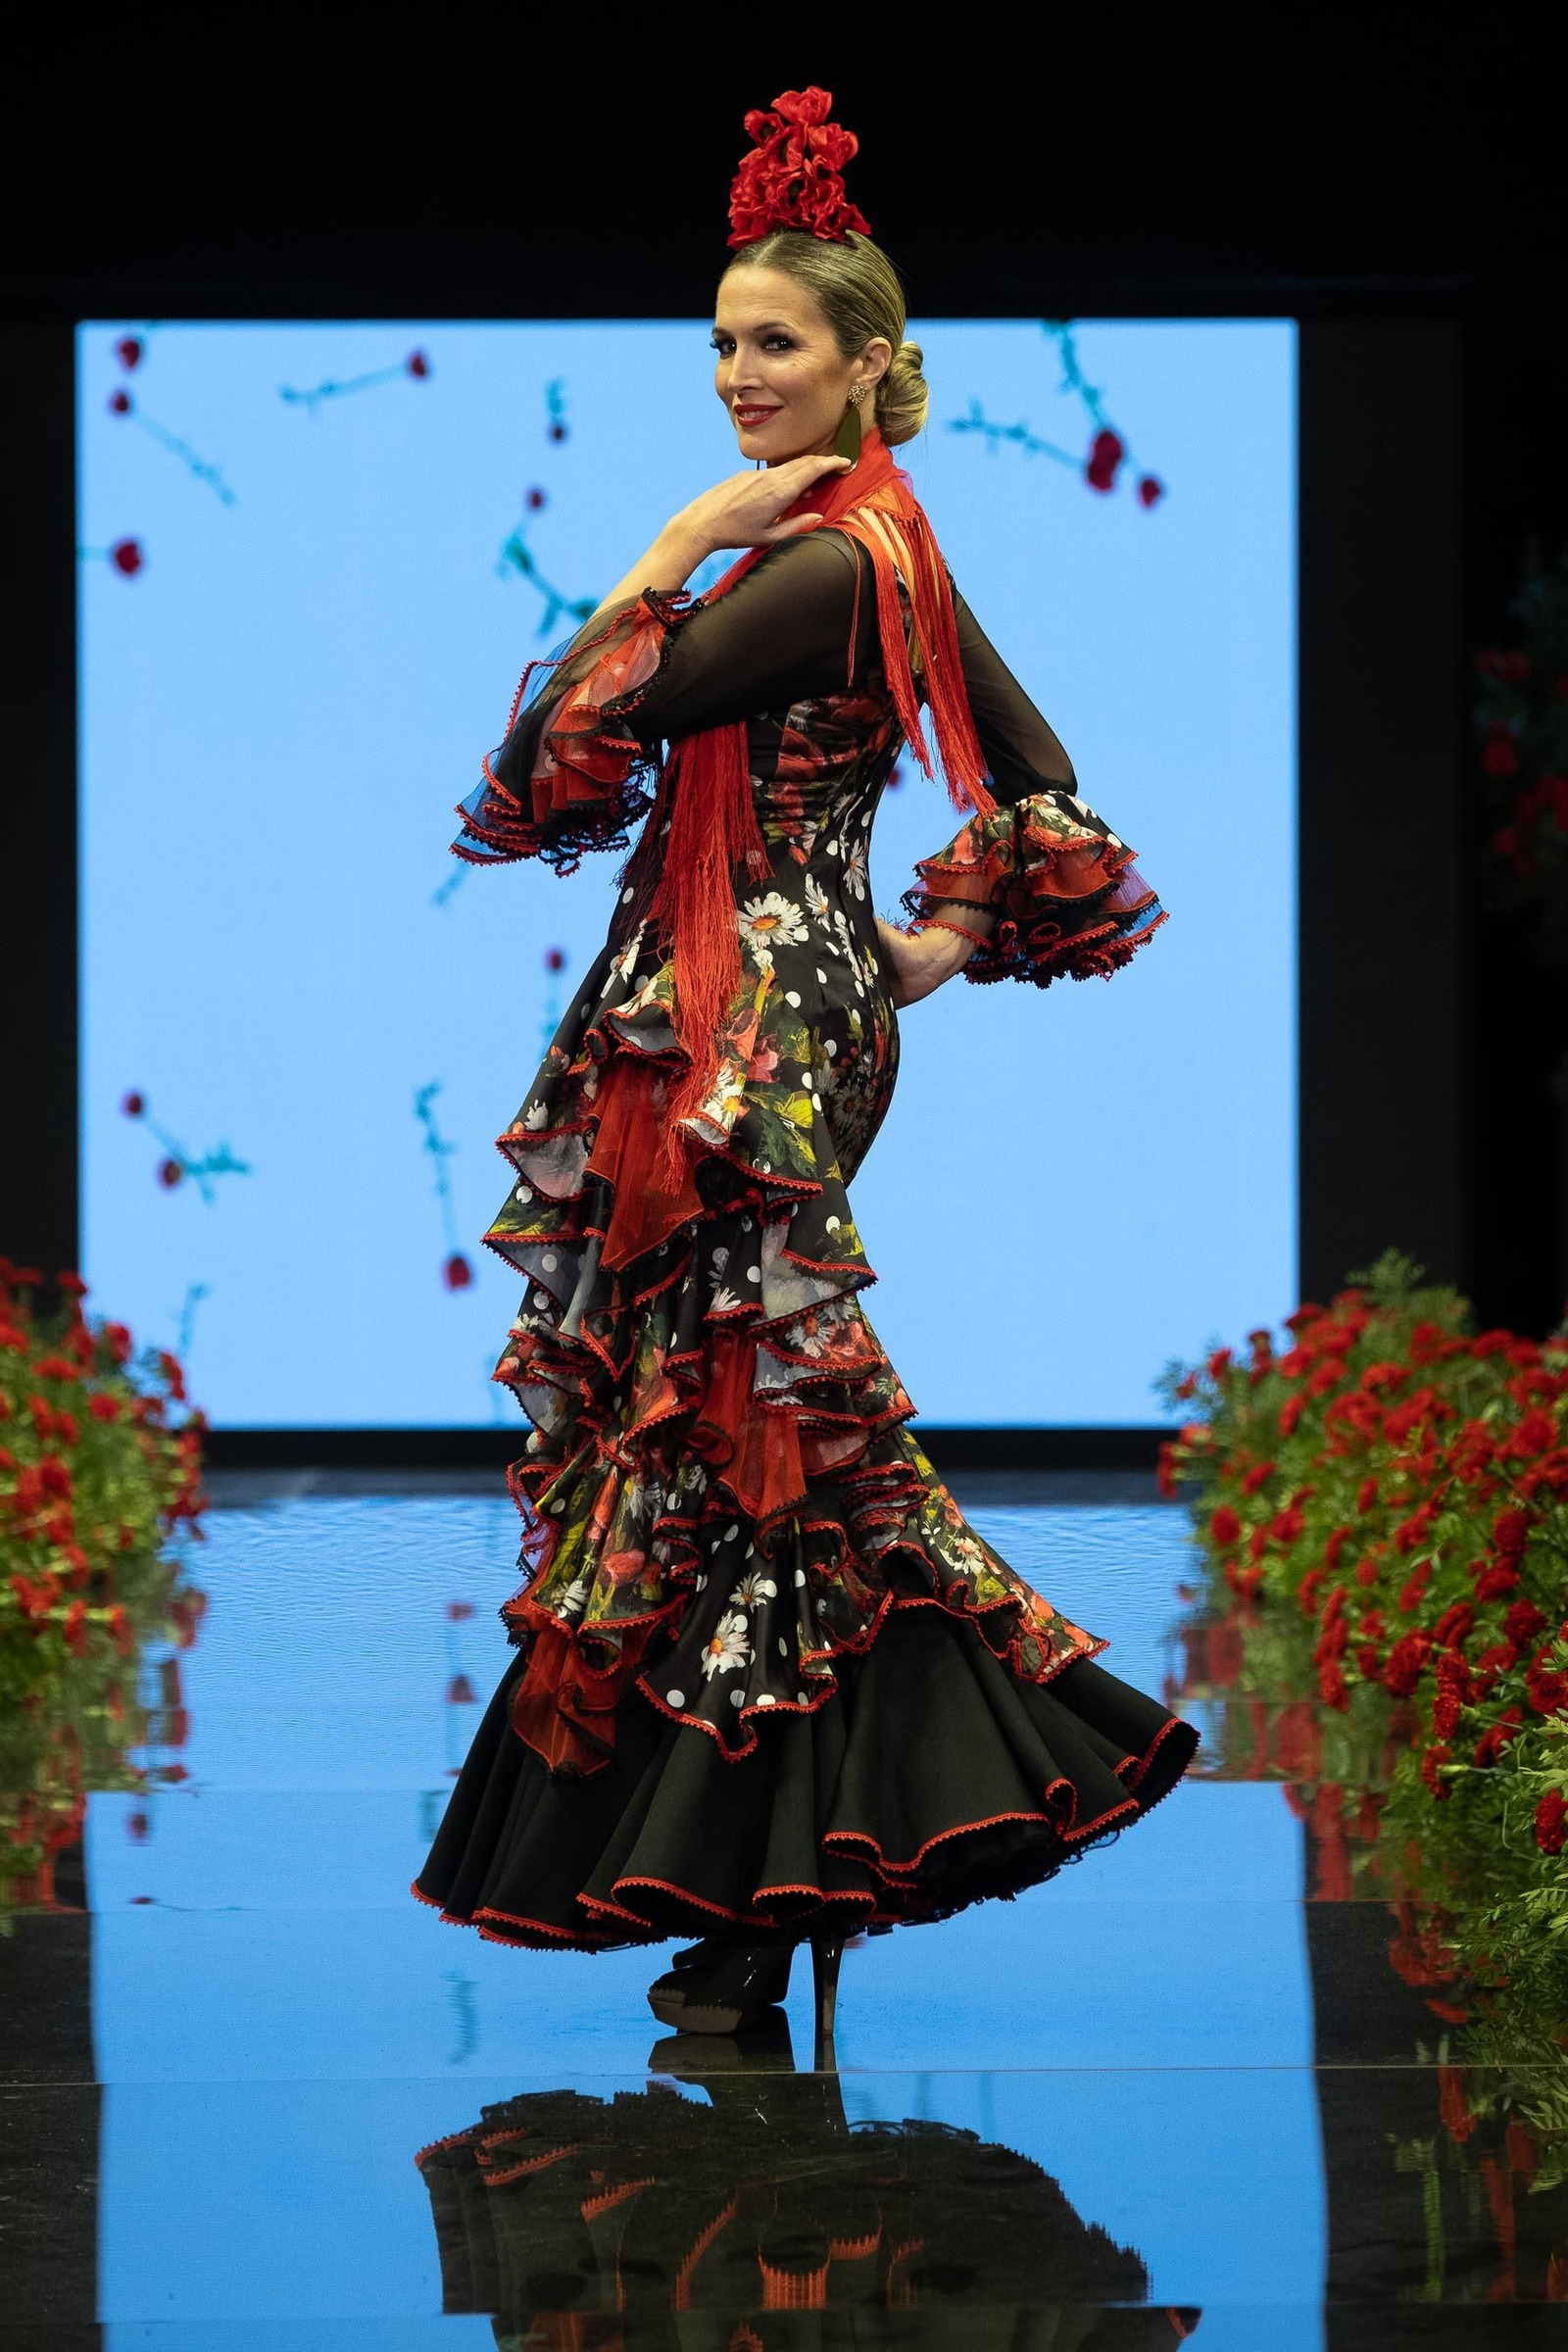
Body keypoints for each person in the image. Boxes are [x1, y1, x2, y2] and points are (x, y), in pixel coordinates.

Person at [414, 87, 1199, 2049]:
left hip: (740, 1034)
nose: (735, 377)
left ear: (868, 363)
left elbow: (566, 744)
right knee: (722, 1426)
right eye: (719, 345)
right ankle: (768, 1879)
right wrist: (912, 942)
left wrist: (675, 539)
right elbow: (1028, 769)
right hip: (764, 1006)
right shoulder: (883, 549)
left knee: (746, 1423)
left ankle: (814, 1858)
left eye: (772, 343)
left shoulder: (831, 560)